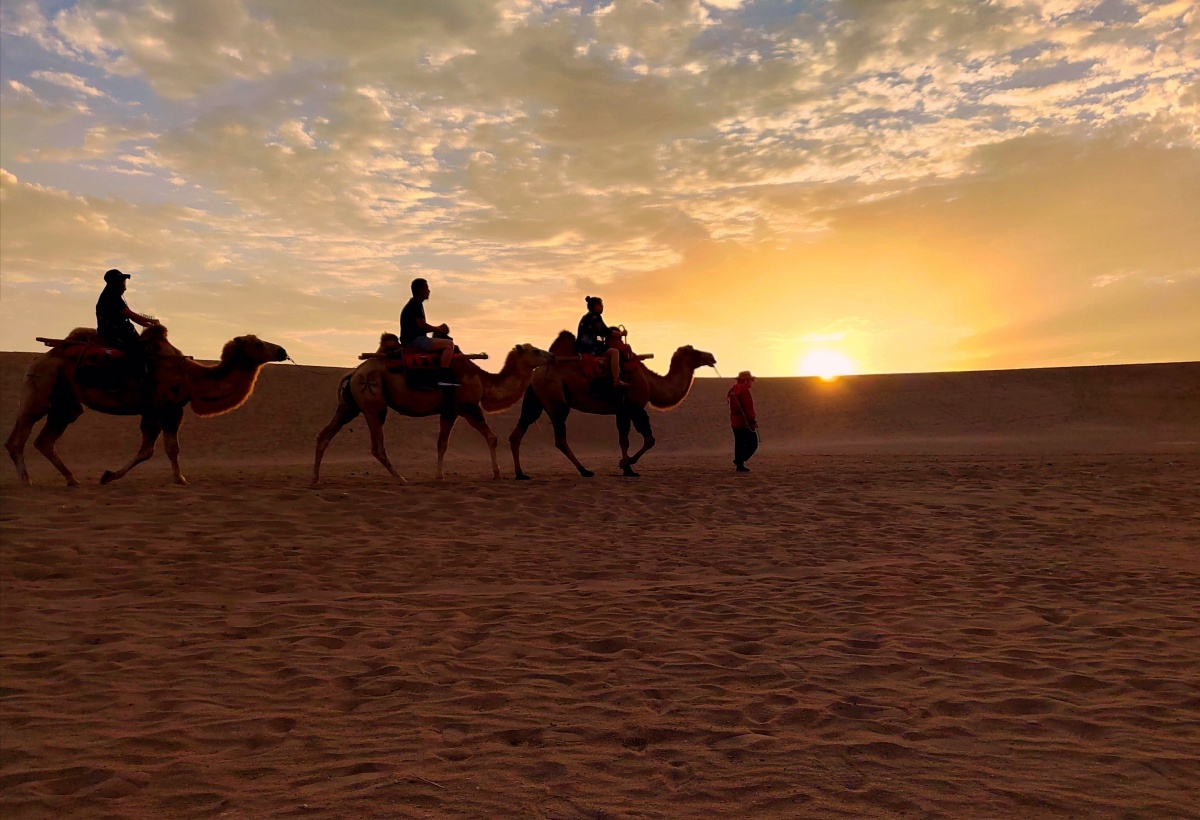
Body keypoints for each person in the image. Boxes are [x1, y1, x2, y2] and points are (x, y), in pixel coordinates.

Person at [95, 268, 159, 380]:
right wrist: (152, 321)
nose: (125, 284)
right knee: (138, 350)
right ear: (117, 283)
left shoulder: (114, 296)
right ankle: (140, 378)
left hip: (120, 331)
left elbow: (132, 318)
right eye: (123, 281)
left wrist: (150, 326)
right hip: (113, 333)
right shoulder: (111, 297)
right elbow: (130, 314)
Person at [399, 277, 460, 387]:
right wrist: (439, 329)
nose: (429, 291)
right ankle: (443, 377)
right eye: (426, 288)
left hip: (412, 339)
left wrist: (437, 329)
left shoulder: (414, 304)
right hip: (415, 340)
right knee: (449, 345)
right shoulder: (415, 304)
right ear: (420, 290)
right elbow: (422, 326)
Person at [577, 296, 629, 388]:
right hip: (591, 347)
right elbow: (606, 331)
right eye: (600, 305)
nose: (602, 307)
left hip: (582, 346)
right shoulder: (595, 317)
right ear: (595, 306)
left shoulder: (586, 317)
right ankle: (616, 380)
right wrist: (621, 334)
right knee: (615, 352)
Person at [727, 370, 758, 472]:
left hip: (735, 420)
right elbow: (748, 406)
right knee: (753, 443)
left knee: (739, 443)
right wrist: (752, 419)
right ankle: (739, 460)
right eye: (750, 380)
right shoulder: (744, 390)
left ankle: (740, 464)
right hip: (744, 421)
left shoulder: (732, 390)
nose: (751, 383)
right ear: (746, 380)